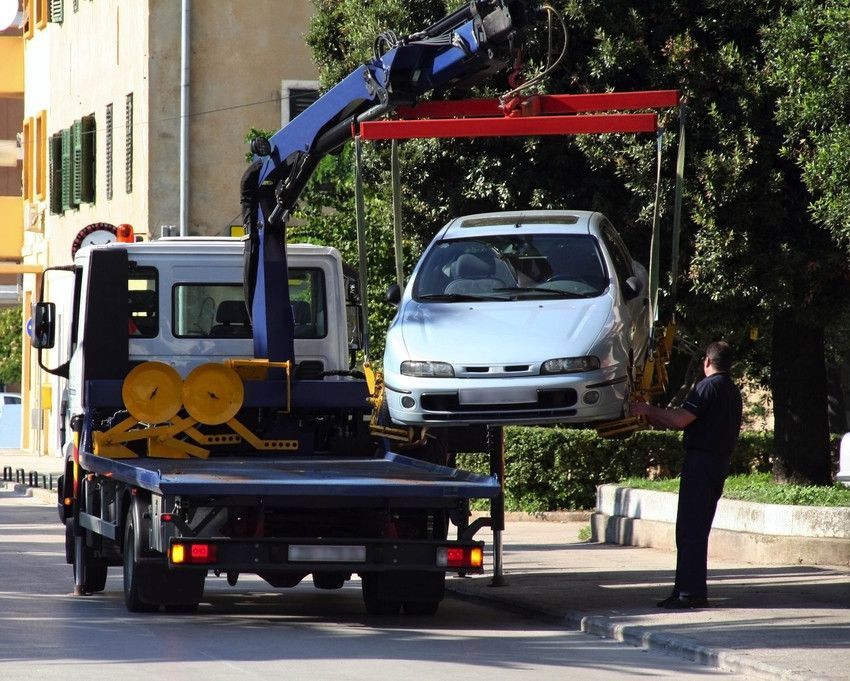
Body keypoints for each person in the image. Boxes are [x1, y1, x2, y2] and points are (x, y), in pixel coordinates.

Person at [629, 340, 743, 609]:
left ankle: (689, 594)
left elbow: (680, 419)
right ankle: (684, 589)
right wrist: (653, 416)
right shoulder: (732, 390)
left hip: (701, 463)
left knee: (690, 529)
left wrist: (647, 410)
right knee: (695, 528)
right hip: (717, 462)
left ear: (706, 361)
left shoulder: (707, 387)